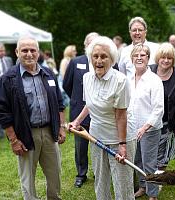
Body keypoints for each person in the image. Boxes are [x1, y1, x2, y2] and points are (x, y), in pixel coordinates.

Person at [0, 36, 66, 200]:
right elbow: (2, 113)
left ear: (38, 52)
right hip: (26, 135)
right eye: (24, 50)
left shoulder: (48, 74)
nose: (29, 54)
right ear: (17, 52)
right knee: (28, 179)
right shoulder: (8, 79)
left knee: (55, 174)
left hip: (49, 132)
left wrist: (61, 126)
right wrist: (14, 140)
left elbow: (59, 103)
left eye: (32, 50)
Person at [68, 36, 135, 200]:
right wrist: (76, 121)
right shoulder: (87, 78)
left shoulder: (120, 81)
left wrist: (122, 145)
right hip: (96, 137)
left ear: (112, 59)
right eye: (95, 56)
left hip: (119, 137)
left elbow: (121, 115)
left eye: (104, 56)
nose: (99, 60)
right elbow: (89, 104)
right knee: (101, 182)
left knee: (122, 185)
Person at [63, 32, 98, 188]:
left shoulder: (107, 61)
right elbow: (66, 84)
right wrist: (77, 98)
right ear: (85, 46)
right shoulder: (76, 62)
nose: (92, 46)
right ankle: (81, 173)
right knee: (80, 146)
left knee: (99, 144)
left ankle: (99, 172)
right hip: (79, 111)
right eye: (89, 43)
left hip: (100, 112)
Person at [128, 44, 164, 200]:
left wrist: (144, 127)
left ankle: (153, 195)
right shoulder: (128, 79)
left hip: (149, 129)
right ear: (132, 59)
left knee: (149, 164)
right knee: (137, 162)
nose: (139, 57)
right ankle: (143, 187)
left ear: (148, 58)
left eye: (143, 55)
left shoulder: (154, 80)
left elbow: (158, 109)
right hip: (132, 128)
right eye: (136, 55)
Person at [150, 43, 175, 170]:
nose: (166, 61)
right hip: (147, 121)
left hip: (168, 122)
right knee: (147, 152)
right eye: (163, 57)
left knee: (162, 155)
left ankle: (157, 180)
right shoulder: (148, 71)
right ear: (158, 58)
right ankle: (145, 178)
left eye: (169, 58)